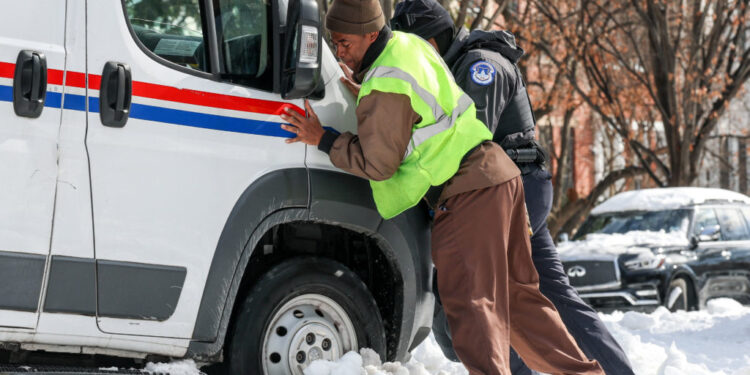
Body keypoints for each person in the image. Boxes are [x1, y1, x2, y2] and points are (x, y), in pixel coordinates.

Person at [280, 0, 605, 374]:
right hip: (500, 178)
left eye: (345, 43)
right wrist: (364, 93)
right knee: (519, 301)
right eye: (334, 44)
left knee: (472, 304)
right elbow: (416, 108)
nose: (340, 53)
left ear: (371, 33)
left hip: (466, 192)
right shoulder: (408, 47)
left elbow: (379, 164)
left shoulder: (386, 81)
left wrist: (323, 139)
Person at [388, 1, 636, 374]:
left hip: (504, 191)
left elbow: (465, 144)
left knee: (492, 298)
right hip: (514, 190)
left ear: (431, 45)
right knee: (543, 295)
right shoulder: (459, 66)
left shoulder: (479, 68)